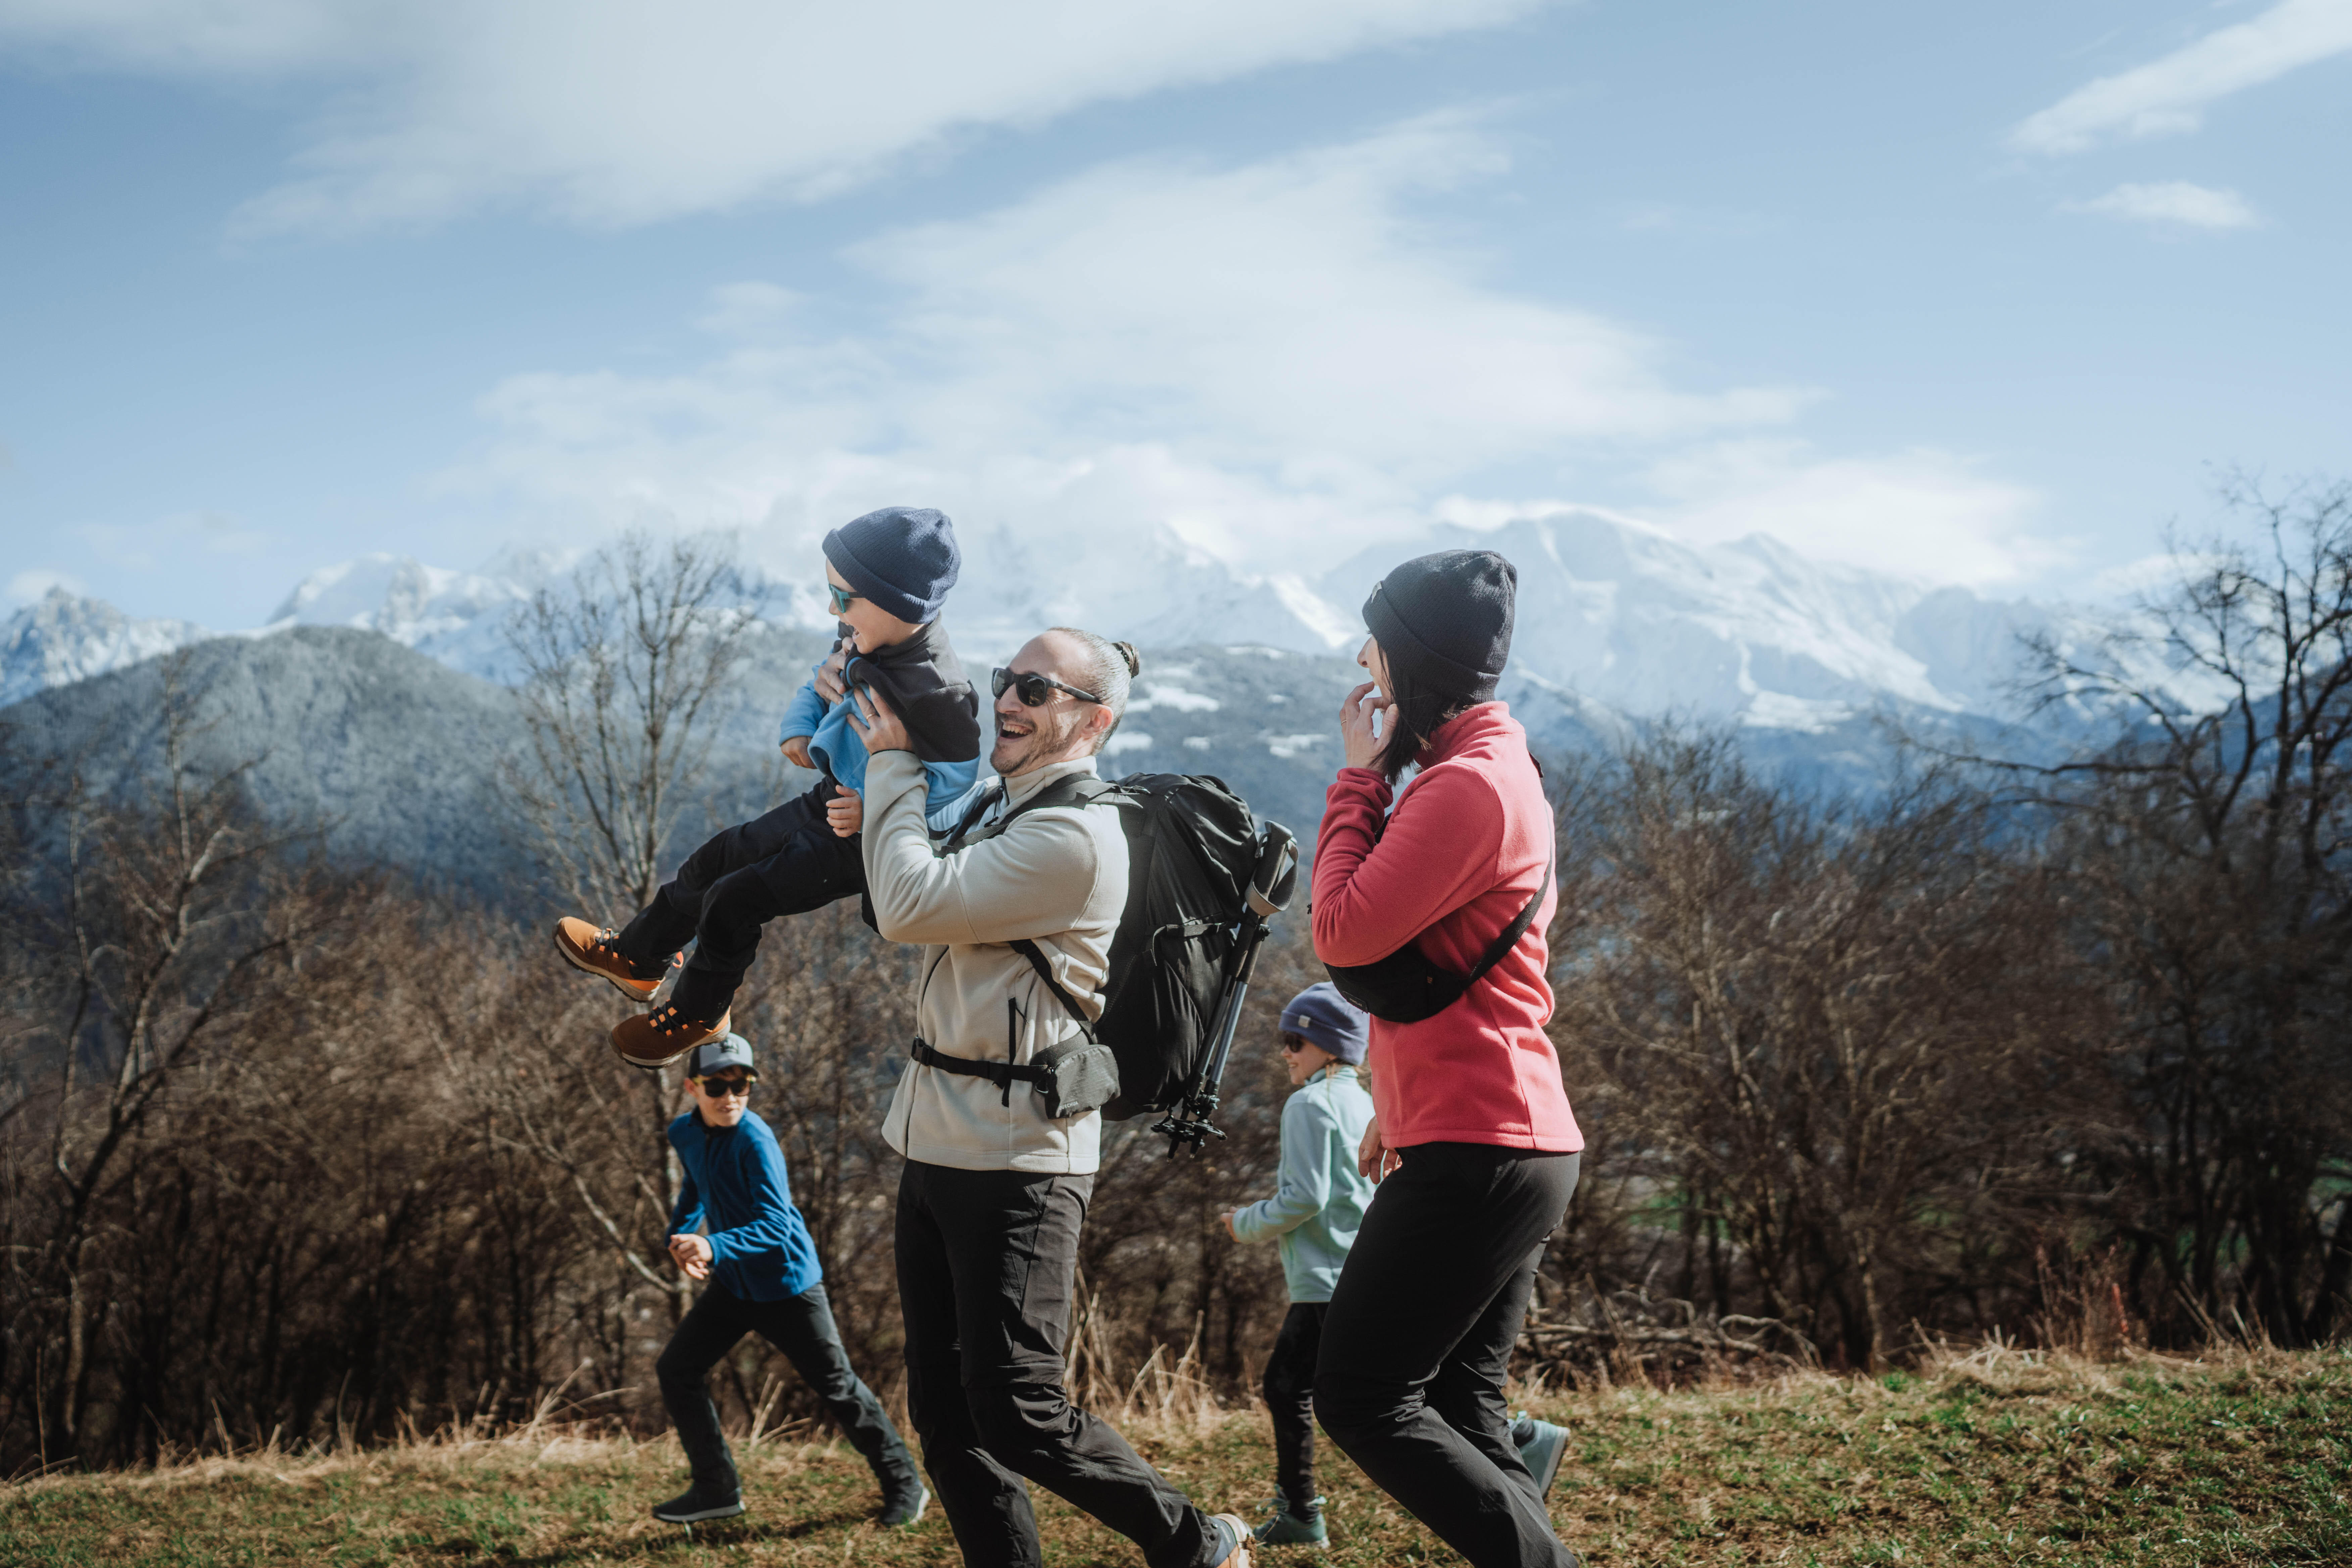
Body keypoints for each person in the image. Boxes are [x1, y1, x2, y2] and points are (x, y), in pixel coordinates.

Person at [846, 626, 1255, 1568]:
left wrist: (892, 770)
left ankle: (1200, 1546)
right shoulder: (1009, 801)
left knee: (1019, 1409)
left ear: (1093, 720)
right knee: (947, 1416)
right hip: (938, 1136)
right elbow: (895, 886)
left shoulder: (1073, 836)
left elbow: (910, 906)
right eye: (1006, 681)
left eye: (1036, 688)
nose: (1009, 701)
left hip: (1019, 1159)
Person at [1308, 550, 1586, 1568]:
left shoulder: (1469, 786)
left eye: (1375, 643)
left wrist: (1354, 778)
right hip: (1501, 1133)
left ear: (1415, 661)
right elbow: (1453, 970)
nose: (1362, 663)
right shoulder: (1490, 771)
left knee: (1361, 1393)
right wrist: (1399, 1096)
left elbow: (1341, 931)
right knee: (1465, 1405)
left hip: (1483, 1144)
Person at [553, 504, 983, 1067]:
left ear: (900, 603)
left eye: (845, 598)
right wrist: (800, 723)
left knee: (735, 900)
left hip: (862, 839)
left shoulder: (939, 695)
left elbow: (954, 789)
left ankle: (700, 1014)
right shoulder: (865, 632)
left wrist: (878, 809)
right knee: (717, 860)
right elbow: (824, 675)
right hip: (825, 800)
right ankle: (639, 957)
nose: (834, 609)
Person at [651, 1033, 928, 1528]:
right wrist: (680, 1236)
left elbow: (778, 1227)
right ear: (693, 1088)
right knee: (677, 1370)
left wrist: (713, 1246)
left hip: (789, 1287)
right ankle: (717, 1488)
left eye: (742, 1084)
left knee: (839, 1388)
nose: (731, 1096)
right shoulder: (684, 1133)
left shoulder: (755, 1141)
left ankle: (906, 1483)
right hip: (735, 1285)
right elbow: (697, 1182)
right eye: (717, 1085)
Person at [1219, 982, 1376, 1549]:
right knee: (1392, 1389)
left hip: (1326, 1278)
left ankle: (1301, 1515)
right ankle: (1517, 1435)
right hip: (1363, 1268)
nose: (1286, 1052)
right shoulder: (1366, 1100)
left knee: (1288, 1389)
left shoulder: (1309, 1103)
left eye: (1296, 1041)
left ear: (1330, 1049)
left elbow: (1304, 1198)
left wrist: (1246, 1223)